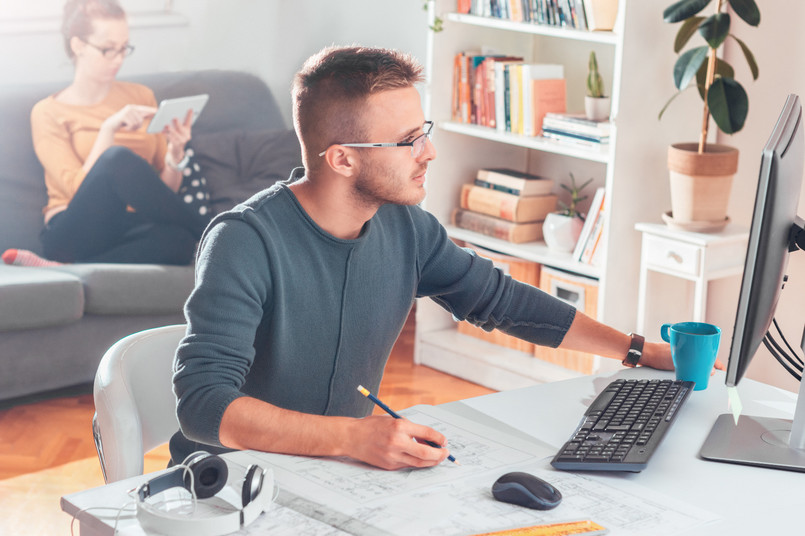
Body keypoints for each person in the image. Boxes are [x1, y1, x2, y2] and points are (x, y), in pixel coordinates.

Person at [170, 45, 693, 471]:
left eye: (425, 132)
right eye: (407, 141)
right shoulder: (243, 241)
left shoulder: (405, 227)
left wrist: (638, 351)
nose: (429, 152)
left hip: (339, 473)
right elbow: (203, 405)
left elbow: (501, 300)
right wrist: (355, 438)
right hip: (229, 487)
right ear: (343, 158)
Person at [4, 0, 210, 267]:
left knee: (180, 242)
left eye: (124, 48)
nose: (118, 58)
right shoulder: (47, 112)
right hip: (73, 229)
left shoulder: (141, 96)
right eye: (107, 49)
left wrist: (176, 152)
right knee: (116, 159)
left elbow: (163, 194)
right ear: (78, 45)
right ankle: (219, 232)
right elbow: (77, 189)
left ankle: (69, 268)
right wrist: (108, 129)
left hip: (127, 228)